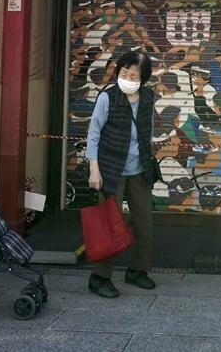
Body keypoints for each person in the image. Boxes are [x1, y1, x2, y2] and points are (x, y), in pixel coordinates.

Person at [85, 49, 158, 298]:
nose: (126, 77)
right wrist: (94, 169)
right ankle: (100, 277)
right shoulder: (108, 97)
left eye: (133, 74)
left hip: (140, 170)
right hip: (110, 170)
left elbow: (147, 132)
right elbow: (94, 134)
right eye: (123, 72)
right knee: (108, 225)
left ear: (143, 78)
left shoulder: (148, 98)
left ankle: (138, 270)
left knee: (144, 224)